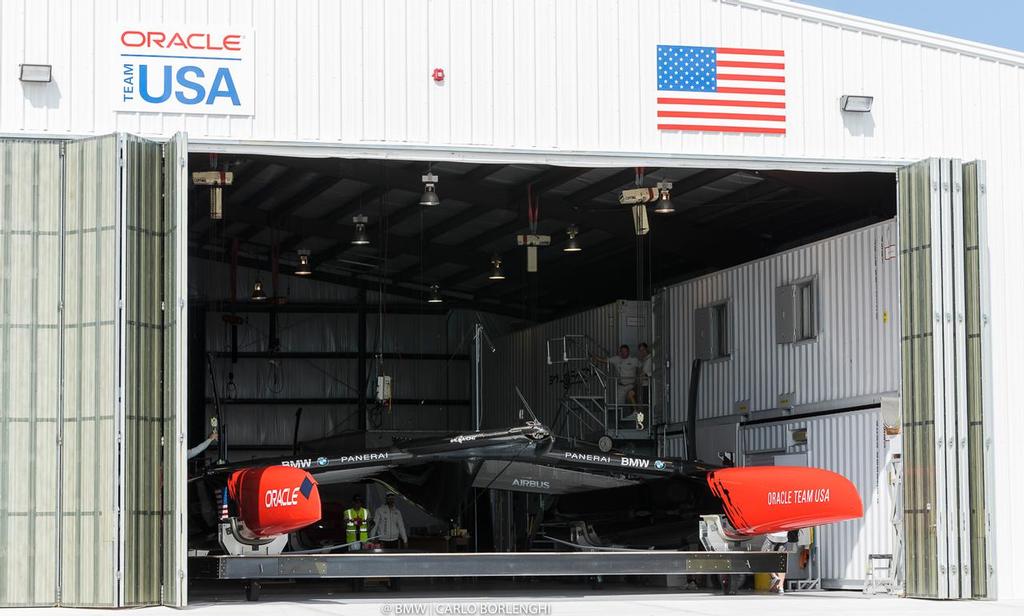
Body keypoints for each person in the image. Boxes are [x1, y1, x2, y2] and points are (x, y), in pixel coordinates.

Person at [593, 344, 641, 409]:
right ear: (620, 352)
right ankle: (621, 418)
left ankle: (637, 417)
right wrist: (595, 357)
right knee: (619, 405)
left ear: (628, 351)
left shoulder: (634, 360)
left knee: (633, 401)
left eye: (625, 351)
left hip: (631, 386)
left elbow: (641, 368)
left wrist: (639, 381)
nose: (623, 353)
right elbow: (604, 360)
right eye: (622, 351)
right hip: (621, 386)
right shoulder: (616, 359)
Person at [763, 529, 799, 594]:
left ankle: (774, 576)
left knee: (764, 555)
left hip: (772, 536)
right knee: (781, 561)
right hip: (784, 537)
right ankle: (781, 587)